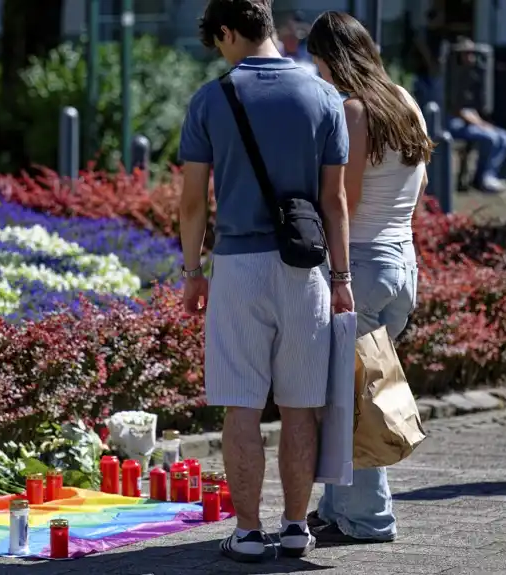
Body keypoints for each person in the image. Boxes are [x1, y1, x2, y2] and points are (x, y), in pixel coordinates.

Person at [179, 0, 352, 562]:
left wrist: (191, 272)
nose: (221, 52)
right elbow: (335, 202)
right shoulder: (323, 96)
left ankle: (249, 533)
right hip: (307, 269)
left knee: (242, 406)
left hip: (238, 266)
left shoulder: (211, 99)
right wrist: (343, 278)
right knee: (301, 406)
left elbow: (191, 205)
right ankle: (298, 526)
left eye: (219, 41)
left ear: (228, 32)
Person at [304, 10, 433, 545]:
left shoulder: (354, 113)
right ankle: (337, 509)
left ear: (332, 60)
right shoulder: (405, 101)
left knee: (357, 401)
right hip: (401, 263)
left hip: (362, 266)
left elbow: (344, 203)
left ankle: (369, 520)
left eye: (317, 64)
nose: (316, 75)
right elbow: (417, 190)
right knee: (352, 391)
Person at [445, 37, 506, 194]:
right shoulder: (452, 77)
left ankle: (488, 174)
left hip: (469, 122)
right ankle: (482, 179)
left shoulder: (470, 75)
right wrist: (480, 124)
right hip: (453, 124)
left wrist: (481, 122)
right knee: (491, 138)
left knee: (503, 136)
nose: (471, 57)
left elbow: (470, 108)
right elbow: (457, 110)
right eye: (466, 54)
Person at [278, 11, 318, 76]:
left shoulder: (305, 53)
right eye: (289, 37)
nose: (292, 41)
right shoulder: (278, 52)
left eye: (294, 38)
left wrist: (300, 27)